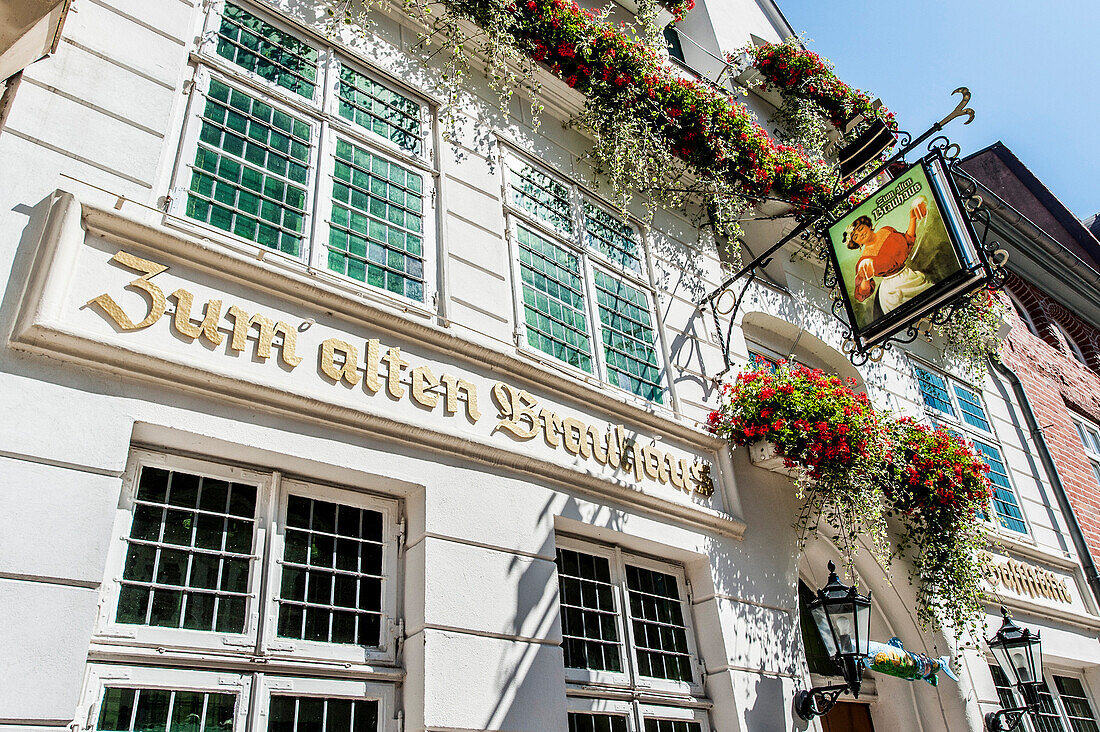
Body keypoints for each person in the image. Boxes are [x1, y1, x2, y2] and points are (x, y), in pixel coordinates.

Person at [843, 197, 931, 314]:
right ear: (856, 243)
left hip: (910, 276)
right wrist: (866, 277)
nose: (860, 233)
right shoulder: (863, 261)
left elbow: (908, 241)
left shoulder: (887, 230)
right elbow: (862, 292)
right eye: (855, 236)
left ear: (868, 225)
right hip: (893, 292)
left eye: (860, 228)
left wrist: (913, 218)